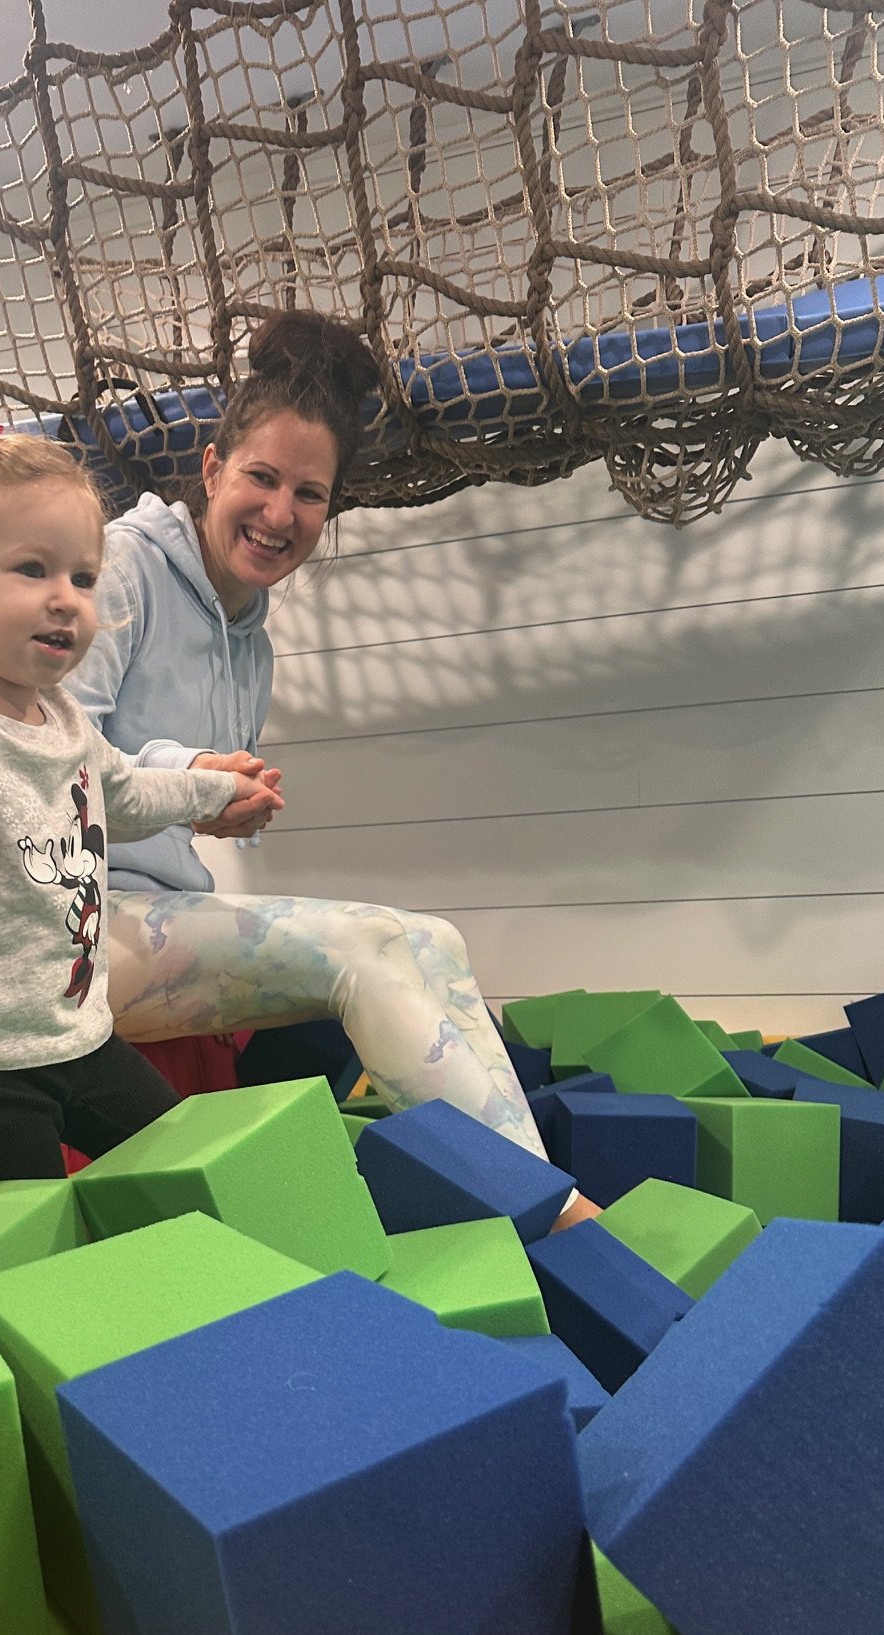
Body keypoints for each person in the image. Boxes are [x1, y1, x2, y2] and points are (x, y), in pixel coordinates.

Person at [69, 308, 569, 1179]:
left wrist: (223, 805)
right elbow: (52, 765)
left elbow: (190, 808)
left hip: (159, 912)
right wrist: (194, 778)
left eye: (309, 494)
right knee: (357, 949)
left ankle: (538, 1186)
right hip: (76, 925)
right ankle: (550, 1213)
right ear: (213, 469)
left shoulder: (252, 644)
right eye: (261, 478)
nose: (279, 513)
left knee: (432, 939)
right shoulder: (123, 568)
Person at [0, 426, 281, 1181]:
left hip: (81, 1039)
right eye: (32, 570)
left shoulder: (64, 719)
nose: (65, 599)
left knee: (191, 1168)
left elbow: (126, 791)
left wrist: (217, 787)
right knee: (31, 1231)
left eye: (83, 577)